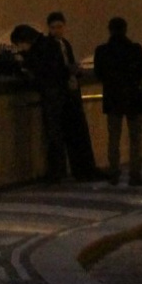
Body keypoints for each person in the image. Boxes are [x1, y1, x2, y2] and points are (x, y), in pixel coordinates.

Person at [26, 11, 102, 182]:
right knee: (59, 134)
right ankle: (64, 172)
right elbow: (50, 69)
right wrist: (69, 70)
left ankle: (72, 171)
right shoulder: (49, 45)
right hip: (59, 94)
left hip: (65, 94)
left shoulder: (64, 44)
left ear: (64, 27)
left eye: (59, 27)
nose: (56, 30)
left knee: (67, 133)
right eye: (53, 28)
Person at [91, 16, 142, 187]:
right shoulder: (134, 49)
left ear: (109, 30)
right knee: (135, 138)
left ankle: (114, 173)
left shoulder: (102, 51)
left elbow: (99, 73)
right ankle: (135, 175)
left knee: (114, 137)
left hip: (113, 98)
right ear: (125, 30)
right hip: (133, 98)